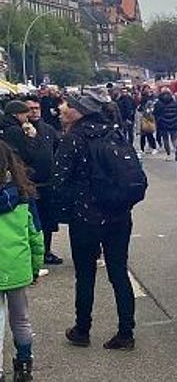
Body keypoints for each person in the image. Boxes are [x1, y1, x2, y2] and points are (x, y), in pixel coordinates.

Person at [53, 94, 137, 350]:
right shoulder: (114, 133)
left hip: (85, 216)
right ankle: (126, 332)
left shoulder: (73, 138)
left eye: (68, 105)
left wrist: (70, 207)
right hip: (118, 214)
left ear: (79, 112)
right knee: (119, 272)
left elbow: (59, 180)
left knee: (85, 275)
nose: (62, 108)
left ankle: (82, 329)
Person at [0, 142, 44, 382]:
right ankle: (24, 364)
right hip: (17, 266)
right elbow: (35, 235)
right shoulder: (23, 194)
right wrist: (35, 267)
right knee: (20, 319)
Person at [22, 96, 63, 265]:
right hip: (29, 184)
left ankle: (46, 250)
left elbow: (59, 148)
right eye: (30, 109)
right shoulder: (19, 131)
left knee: (47, 220)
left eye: (36, 108)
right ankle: (32, 254)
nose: (34, 111)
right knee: (31, 221)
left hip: (48, 182)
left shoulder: (48, 129)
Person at [153, 88, 177, 158]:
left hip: (163, 124)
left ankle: (168, 154)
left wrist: (158, 120)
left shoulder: (158, 103)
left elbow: (155, 113)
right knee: (174, 139)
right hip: (174, 123)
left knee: (165, 139)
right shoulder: (174, 102)